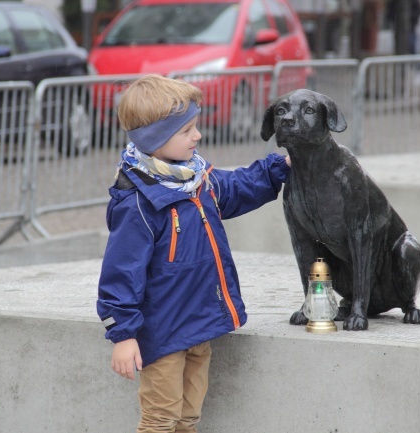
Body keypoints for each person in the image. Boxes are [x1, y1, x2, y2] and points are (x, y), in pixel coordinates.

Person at [96, 74, 290, 433]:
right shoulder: (138, 202)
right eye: (187, 131)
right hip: (164, 334)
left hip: (199, 326)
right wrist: (123, 335)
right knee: (160, 420)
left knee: (188, 418)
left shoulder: (198, 179)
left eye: (195, 127)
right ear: (156, 138)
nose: (197, 136)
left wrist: (280, 168)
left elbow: (238, 187)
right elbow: (121, 273)